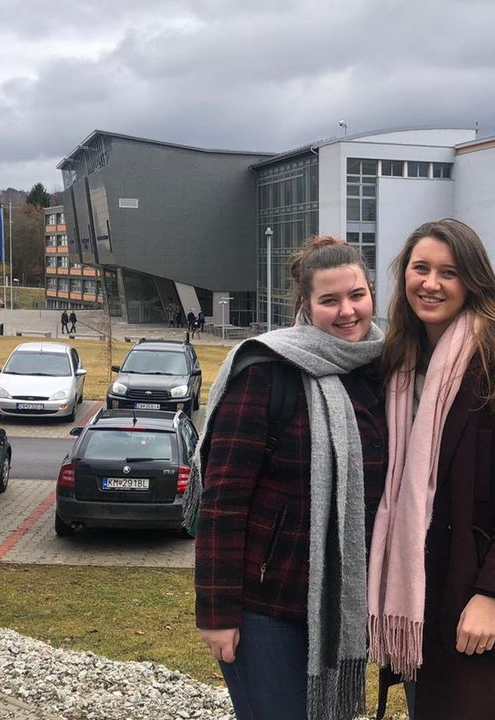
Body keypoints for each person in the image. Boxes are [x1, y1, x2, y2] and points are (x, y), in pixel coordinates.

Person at [187, 236, 387, 720]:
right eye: (329, 300)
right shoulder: (266, 371)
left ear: (371, 294)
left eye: (356, 295)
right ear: (305, 305)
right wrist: (216, 613)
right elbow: (223, 500)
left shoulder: (378, 369)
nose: (347, 311)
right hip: (264, 607)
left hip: (340, 605)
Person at [368, 218, 495, 720]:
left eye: (448, 272)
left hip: (476, 594)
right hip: (422, 593)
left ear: (472, 280)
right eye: (420, 268)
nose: (430, 283)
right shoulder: (400, 362)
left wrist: (493, 595)